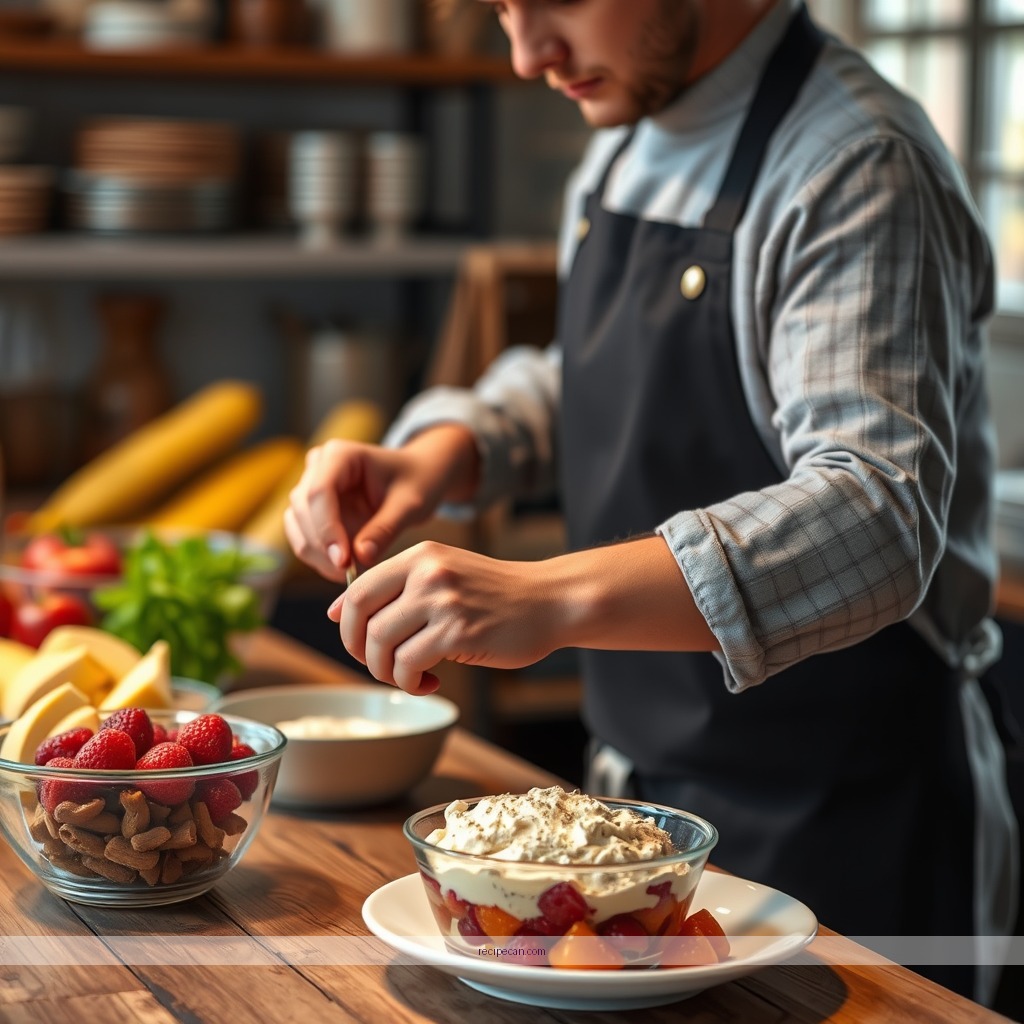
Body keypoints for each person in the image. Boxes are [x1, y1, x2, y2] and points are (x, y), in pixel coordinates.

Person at [286, 0, 1018, 1003]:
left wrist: (545, 596)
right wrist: (448, 452)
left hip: (847, 820)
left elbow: (878, 512)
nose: (525, 53)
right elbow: (587, 377)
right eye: (501, 9)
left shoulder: (856, 163)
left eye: (554, 2)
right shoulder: (629, 130)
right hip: (640, 812)